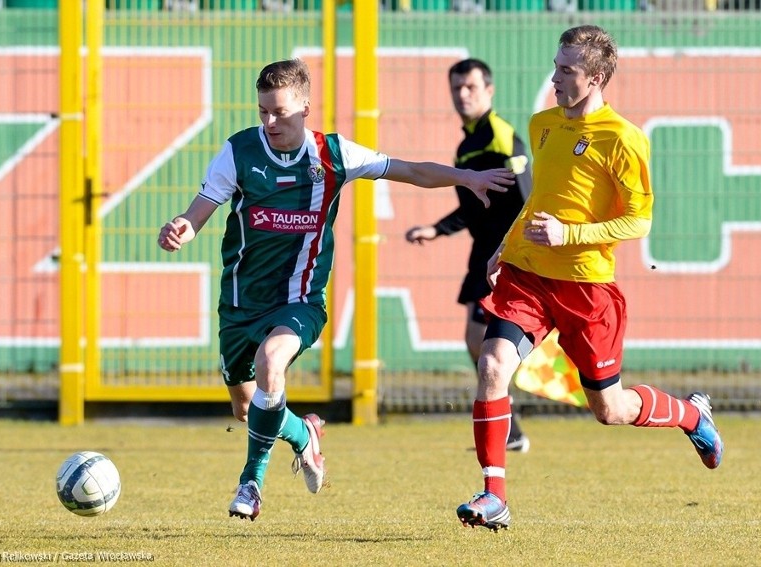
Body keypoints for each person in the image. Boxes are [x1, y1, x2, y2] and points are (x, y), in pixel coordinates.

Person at [157, 58, 515, 523]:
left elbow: (406, 170)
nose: (269, 122)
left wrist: (466, 177)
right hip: (239, 304)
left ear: (305, 106)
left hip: (299, 300)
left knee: (271, 363)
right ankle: (305, 436)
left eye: (280, 112)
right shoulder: (239, 151)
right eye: (263, 111)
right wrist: (184, 225)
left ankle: (251, 483)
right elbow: (202, 206)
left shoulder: (333, 155)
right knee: (248, 408)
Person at [455, 25, 724, 532]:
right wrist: (503, 246)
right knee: (492, 364)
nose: (554, 77)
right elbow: (541, 200)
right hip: (528, 276)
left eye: (566, 70)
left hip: (587, 290)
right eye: (555, 65)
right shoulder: (542, 124)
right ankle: (494, 495)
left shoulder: (624, 138)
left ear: (596, 77)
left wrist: (570, 234)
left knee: (610, 408)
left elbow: (639, 220)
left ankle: (692, 416)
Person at [404, 58, 533, 452]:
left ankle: (507, 427)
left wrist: (514, 250)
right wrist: (436, 229)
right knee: (475, 341)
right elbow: (474, 206)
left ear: (489, 91)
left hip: (505, 256)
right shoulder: (466, 146)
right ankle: (508, 428)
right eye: (457, 88)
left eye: (471, 88)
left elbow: (527, 197)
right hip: (484, 254)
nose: (463, 95)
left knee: (484, 342)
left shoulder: (501, 137)